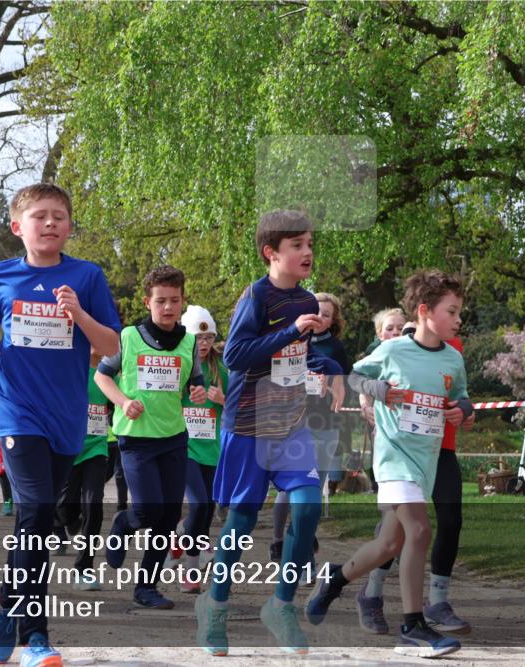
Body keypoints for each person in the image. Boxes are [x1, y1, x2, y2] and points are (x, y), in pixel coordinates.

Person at [0, 182, 121, 667]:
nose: (51, 222)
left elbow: (112, 347)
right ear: (18, 227)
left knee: (33, 521)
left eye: (59, 215)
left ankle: (3, 611)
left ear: (70, 226)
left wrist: (78, 313)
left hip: (67, 417)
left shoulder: (87, 276)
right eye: (40, 215)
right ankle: (35, 636)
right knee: (36, 511)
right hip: (16, 407)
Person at [194, 209, 344, 656]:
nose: (308, 252)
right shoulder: (255, 298)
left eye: (311, 245)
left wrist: (330, 367)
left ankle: (281, 605)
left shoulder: (307, 300)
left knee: (307, 508)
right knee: (240, 524)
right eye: (297, 245)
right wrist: (290, 332)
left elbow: (296, 357)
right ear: (271, 252)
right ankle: (215, 607)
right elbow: (238, 356)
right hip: (247, 425)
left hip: (291, 424)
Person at [304, 268, 471, 659]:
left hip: (426, 460)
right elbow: (355, 375)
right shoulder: (394, 350)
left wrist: (461, 410)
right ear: (426, 311)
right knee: (419, 530)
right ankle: (413, 625)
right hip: (394, 456)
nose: (459, 319)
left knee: (389, 543)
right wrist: (378, 389)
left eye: (460, 311)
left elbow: (464, 397)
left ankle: (334, 579)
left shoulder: (453, 358)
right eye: (452, 311)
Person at [96, 265, 207, 610]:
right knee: (145, 510)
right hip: (136, 438)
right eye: (161, 301)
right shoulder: (126, 337)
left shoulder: (189, 343)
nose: (168, 307)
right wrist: (124, 401)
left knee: (168, 515)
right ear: (148, 302)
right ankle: (123, 522)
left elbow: (195, 383)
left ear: (183, 302)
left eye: (175, 300)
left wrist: (199, 392)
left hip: (174, 437)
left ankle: (146, 587)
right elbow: (103, 378)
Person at [271, 292, 350, 572]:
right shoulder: (289, 341)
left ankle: (301, 554)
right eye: (316, 311)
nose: (320, 318)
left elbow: (345, 387)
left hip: (326, 426)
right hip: (295, 427)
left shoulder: (336, 349)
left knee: (312, 497)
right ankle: (281, 542)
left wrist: (334, 385)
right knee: (292, 492)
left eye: (326, 314)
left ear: (333, 321)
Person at [176, 304, 228, 593]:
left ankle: (182, 539)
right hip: (185, 448)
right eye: (198, 339)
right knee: (197, 504)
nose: (204, 344)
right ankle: (189, 568)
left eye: (208, 339)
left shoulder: (221, 370)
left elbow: (237, 408)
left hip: (213, 448)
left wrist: (221, 399)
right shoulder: (180, 365)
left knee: (207, 509)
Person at [54, 347, 110, 591]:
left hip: (97, 448)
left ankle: (83, 569)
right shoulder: (68, 369)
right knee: (65, 508)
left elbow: (120, 398)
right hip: (68, 448)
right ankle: (64, 521)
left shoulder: (109, 372)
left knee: (94, 505)